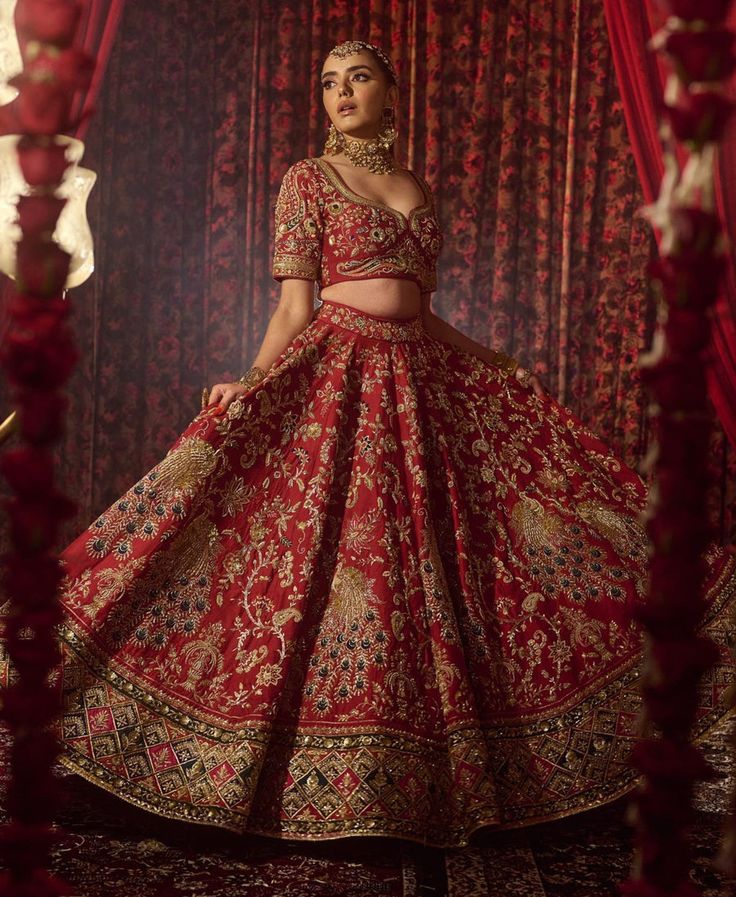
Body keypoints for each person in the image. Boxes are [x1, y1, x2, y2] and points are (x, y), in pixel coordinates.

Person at [1, 39, 734, 850]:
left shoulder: (416, 187)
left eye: (358, 79)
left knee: (468, 560)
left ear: (393, 90)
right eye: (328, 83)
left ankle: (429, 775)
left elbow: (416, 309)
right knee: (318, 561)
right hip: (339, 371)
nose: (340, 93)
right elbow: (294, 306)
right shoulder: (308, 180)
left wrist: (492, 361)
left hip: (421, 381)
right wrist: (250, 381)